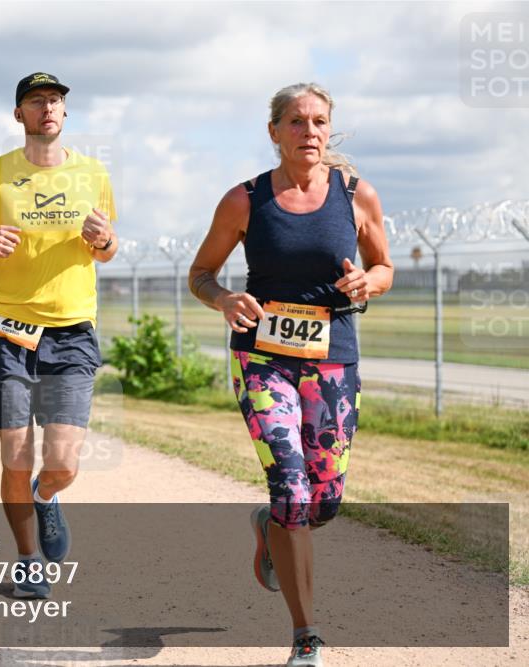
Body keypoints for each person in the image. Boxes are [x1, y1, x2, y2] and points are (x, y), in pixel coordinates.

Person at [188, 82, 393, 667]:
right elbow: (201, 272)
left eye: (320, 121)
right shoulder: (244, 200)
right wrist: (224, 298)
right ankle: (307, 636)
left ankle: (270, 527)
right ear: (274, 131)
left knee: (323, 501)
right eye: (297, 122)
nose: (310, 132)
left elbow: (384, 267)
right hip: (263, 359)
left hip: (333, 361)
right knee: (293, 490)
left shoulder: (357, 196)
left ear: (331, 129)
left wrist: (367, 284)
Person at [0, 73, 117, 599]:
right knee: (14, 455)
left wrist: (104, 240)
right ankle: (26, 558)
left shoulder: (93, 173)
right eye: (37, 101)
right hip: (8, 333)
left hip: (71, 333)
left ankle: (45, 496)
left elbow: (106, 250)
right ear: (19, 115)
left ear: (65, 113)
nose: (48, 108)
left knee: (62, 463)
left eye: (56, 101)